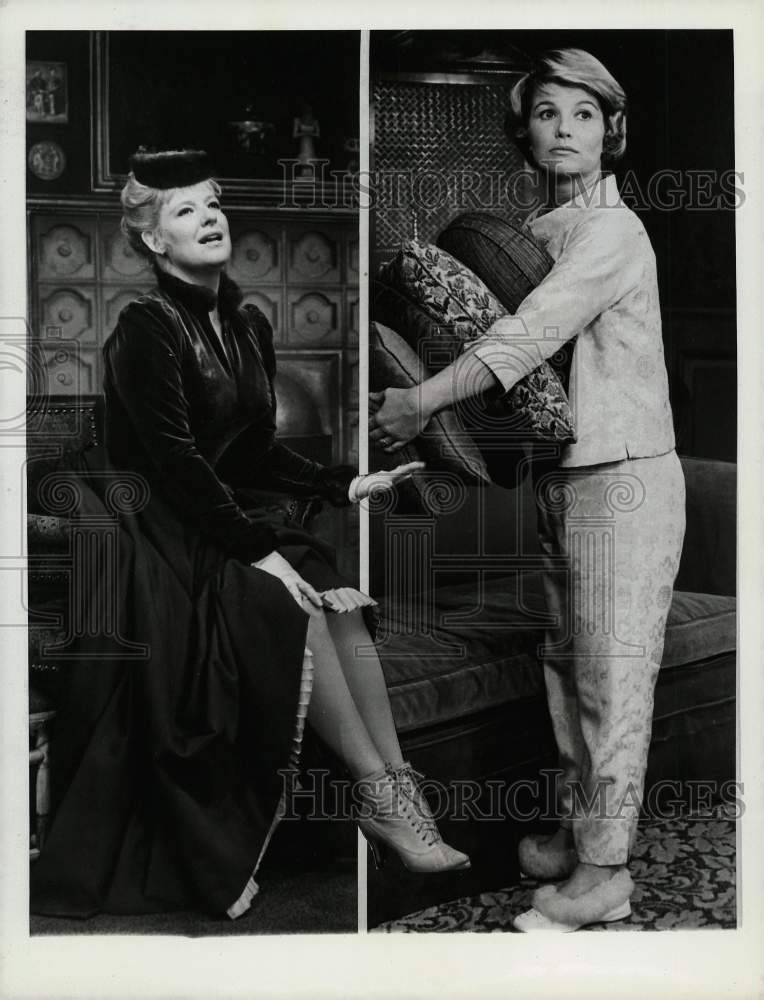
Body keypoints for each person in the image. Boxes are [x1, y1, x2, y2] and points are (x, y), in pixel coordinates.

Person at [31, 149, 469, 923]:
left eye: (213, 202)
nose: (209, 217)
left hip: (213, 512)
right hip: (152, 528)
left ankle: (398, 792)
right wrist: (257, 550)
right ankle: (380, 797)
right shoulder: (144, 329)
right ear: (154, 242)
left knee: (329, 587)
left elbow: (257, 452)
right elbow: (176, 463)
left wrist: (343, 483)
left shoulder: (244, 324)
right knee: (280, 586)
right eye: (185, 210)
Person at [369, 48, 685, 932]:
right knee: (564, 669)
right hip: (562, 480)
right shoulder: (536, 231)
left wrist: (420, 401)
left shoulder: (614, 233)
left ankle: (606, 875)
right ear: (525, 130)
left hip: (625, 477)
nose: (565, 131)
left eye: (584, 116)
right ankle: (576, 832)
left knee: (612, 680)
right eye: (548, 114)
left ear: (611, 132)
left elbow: (523, 337)